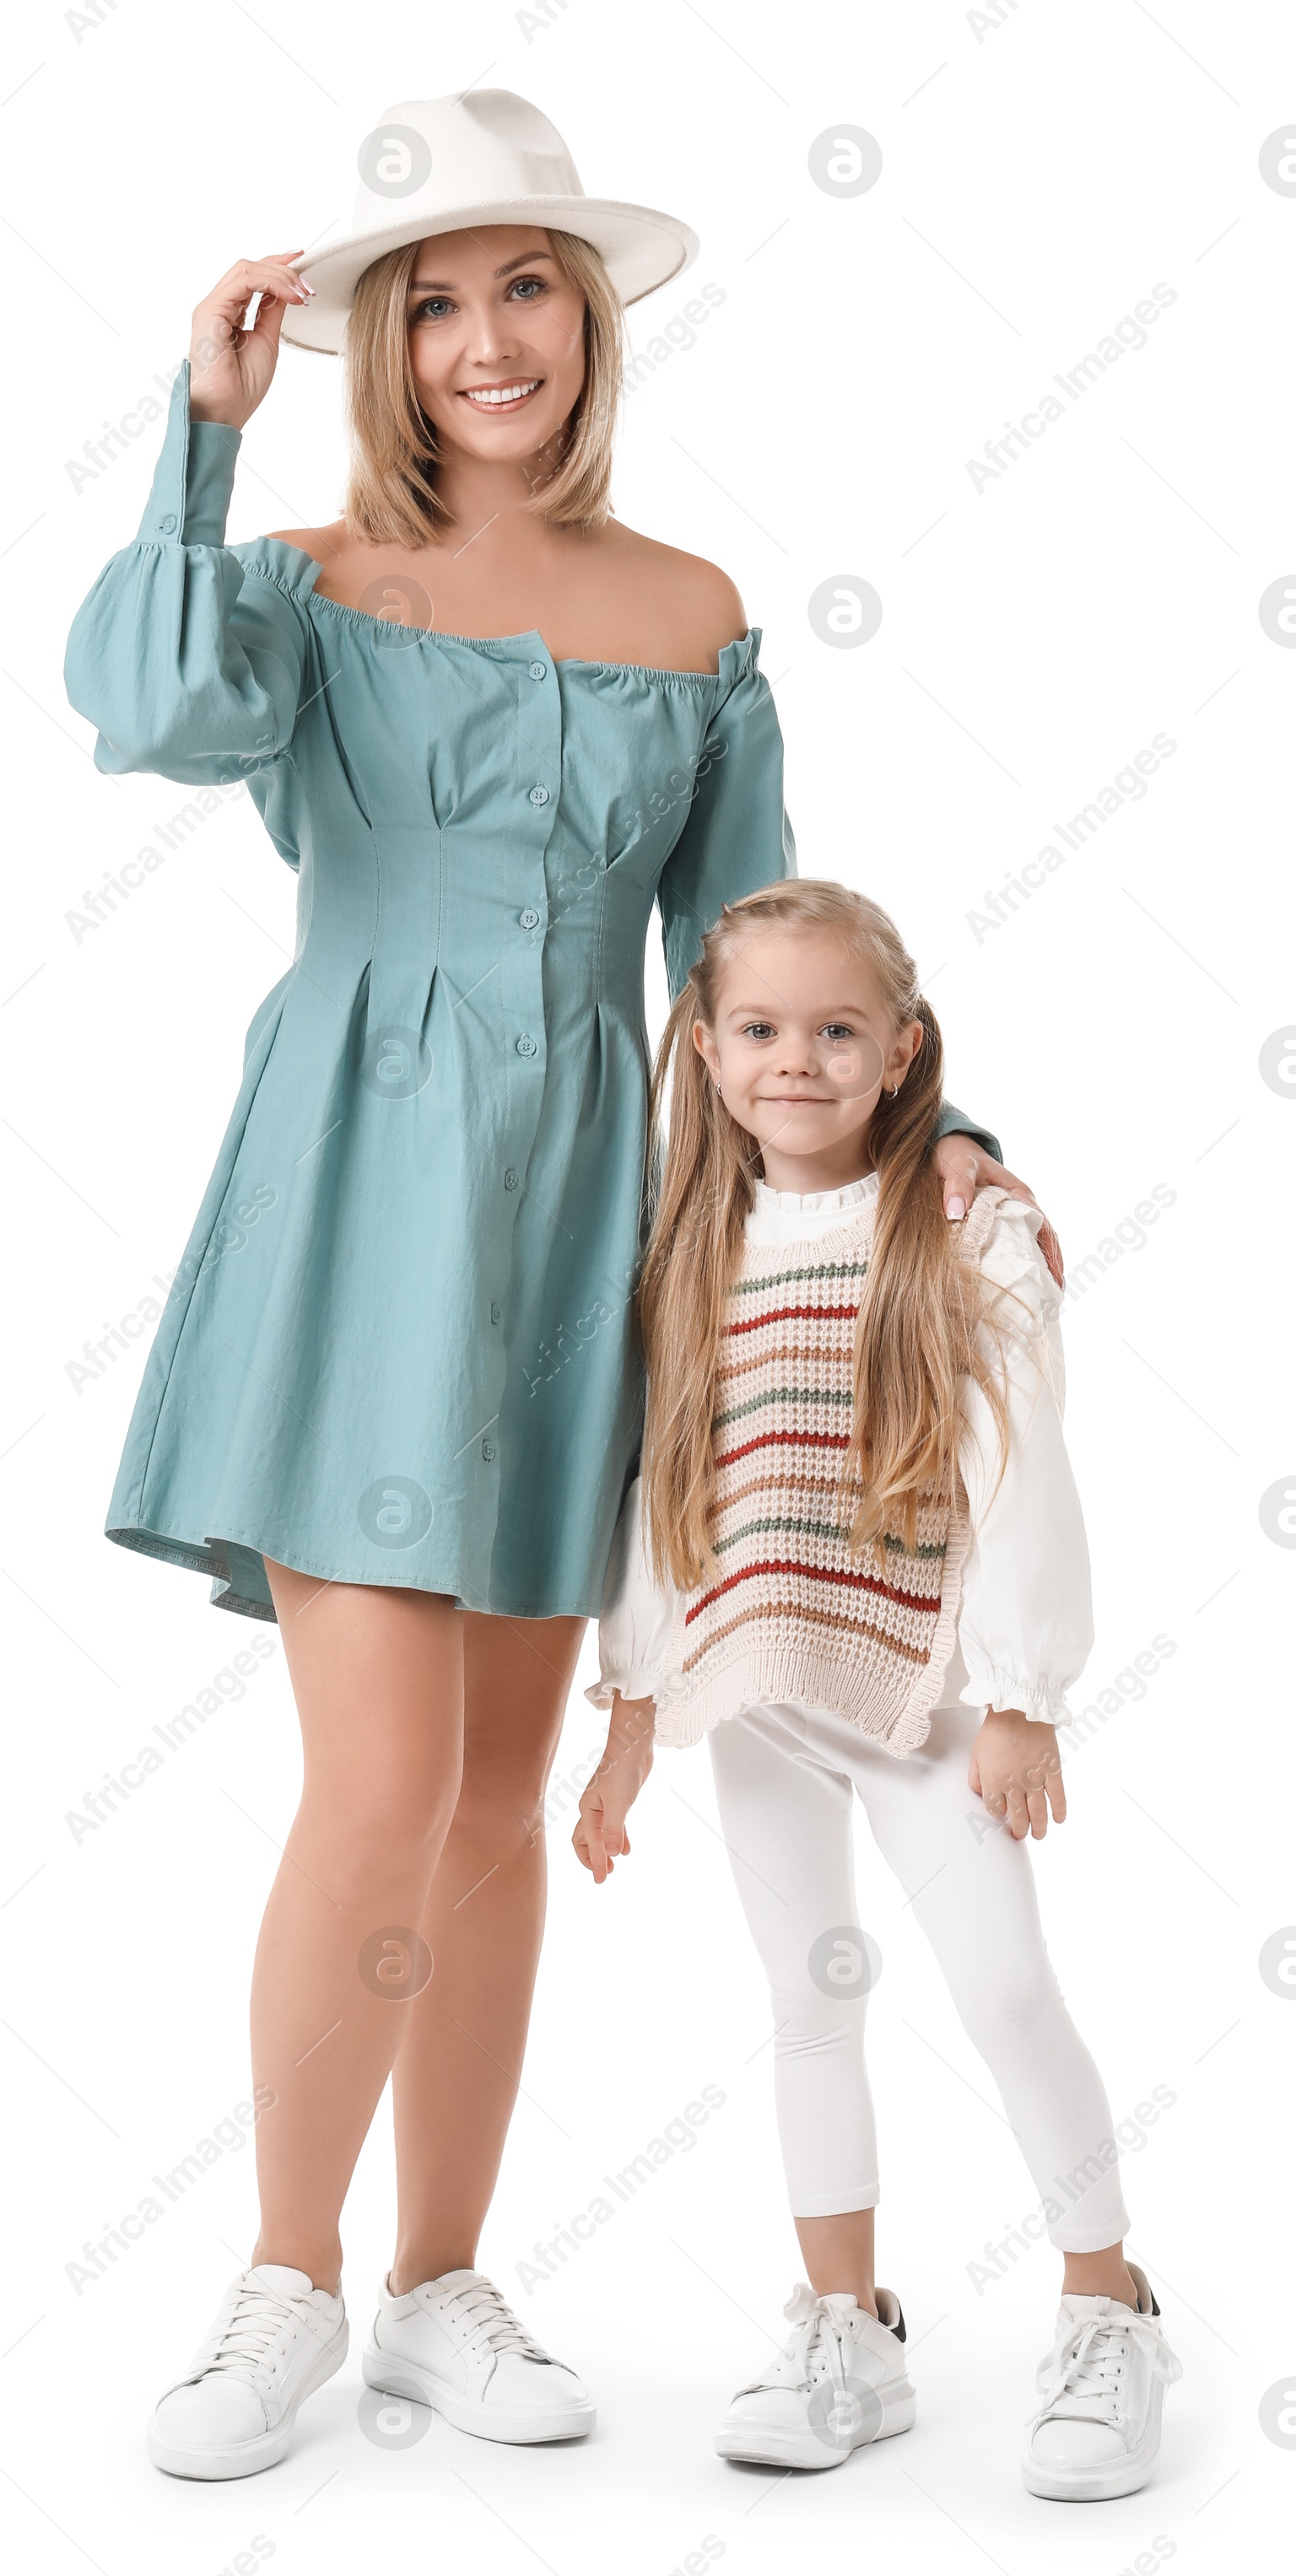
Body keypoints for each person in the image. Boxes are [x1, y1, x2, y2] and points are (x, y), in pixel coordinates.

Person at [64, 89, 1037, 2479]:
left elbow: (744, 966)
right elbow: (152, 708)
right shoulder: (295, 581)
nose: (484, 338)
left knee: (501, 1793)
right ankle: (280, 2272)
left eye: (523, 288)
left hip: (594, 1211)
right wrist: (195, 442)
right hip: (359, 1187)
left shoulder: (694, 610)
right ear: (370, 346)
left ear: (584, 323)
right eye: (430, 300)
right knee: (378, 1774)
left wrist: (930, 1153)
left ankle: (434, 2284)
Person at [574, 878, 1180, 2501]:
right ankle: (847, 2322)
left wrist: (1025, 1692)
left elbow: (1017, 1454)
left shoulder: (964, 1228)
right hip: (760, 1686)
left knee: (1001, 1988)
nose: (797, 1059)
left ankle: (1106, 2298)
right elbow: (660, 1493)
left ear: (905, 1053)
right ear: (703, 1050)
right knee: (809, 2002)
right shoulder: (690, 1241)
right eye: (761, 1030)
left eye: (838, 1030)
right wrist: (632, 1714)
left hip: (926, 1695)